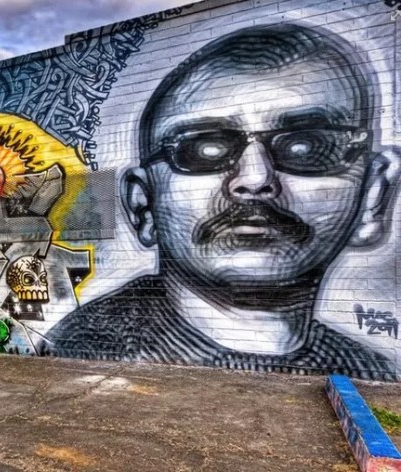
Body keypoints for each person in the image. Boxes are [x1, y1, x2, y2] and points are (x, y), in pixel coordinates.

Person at [45, 23, 401, 380]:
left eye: (306, 146)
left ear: (373, 195)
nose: (255, 180)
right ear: (144, 206)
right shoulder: (80, 352)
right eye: (203, 149)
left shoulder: (370, 373)